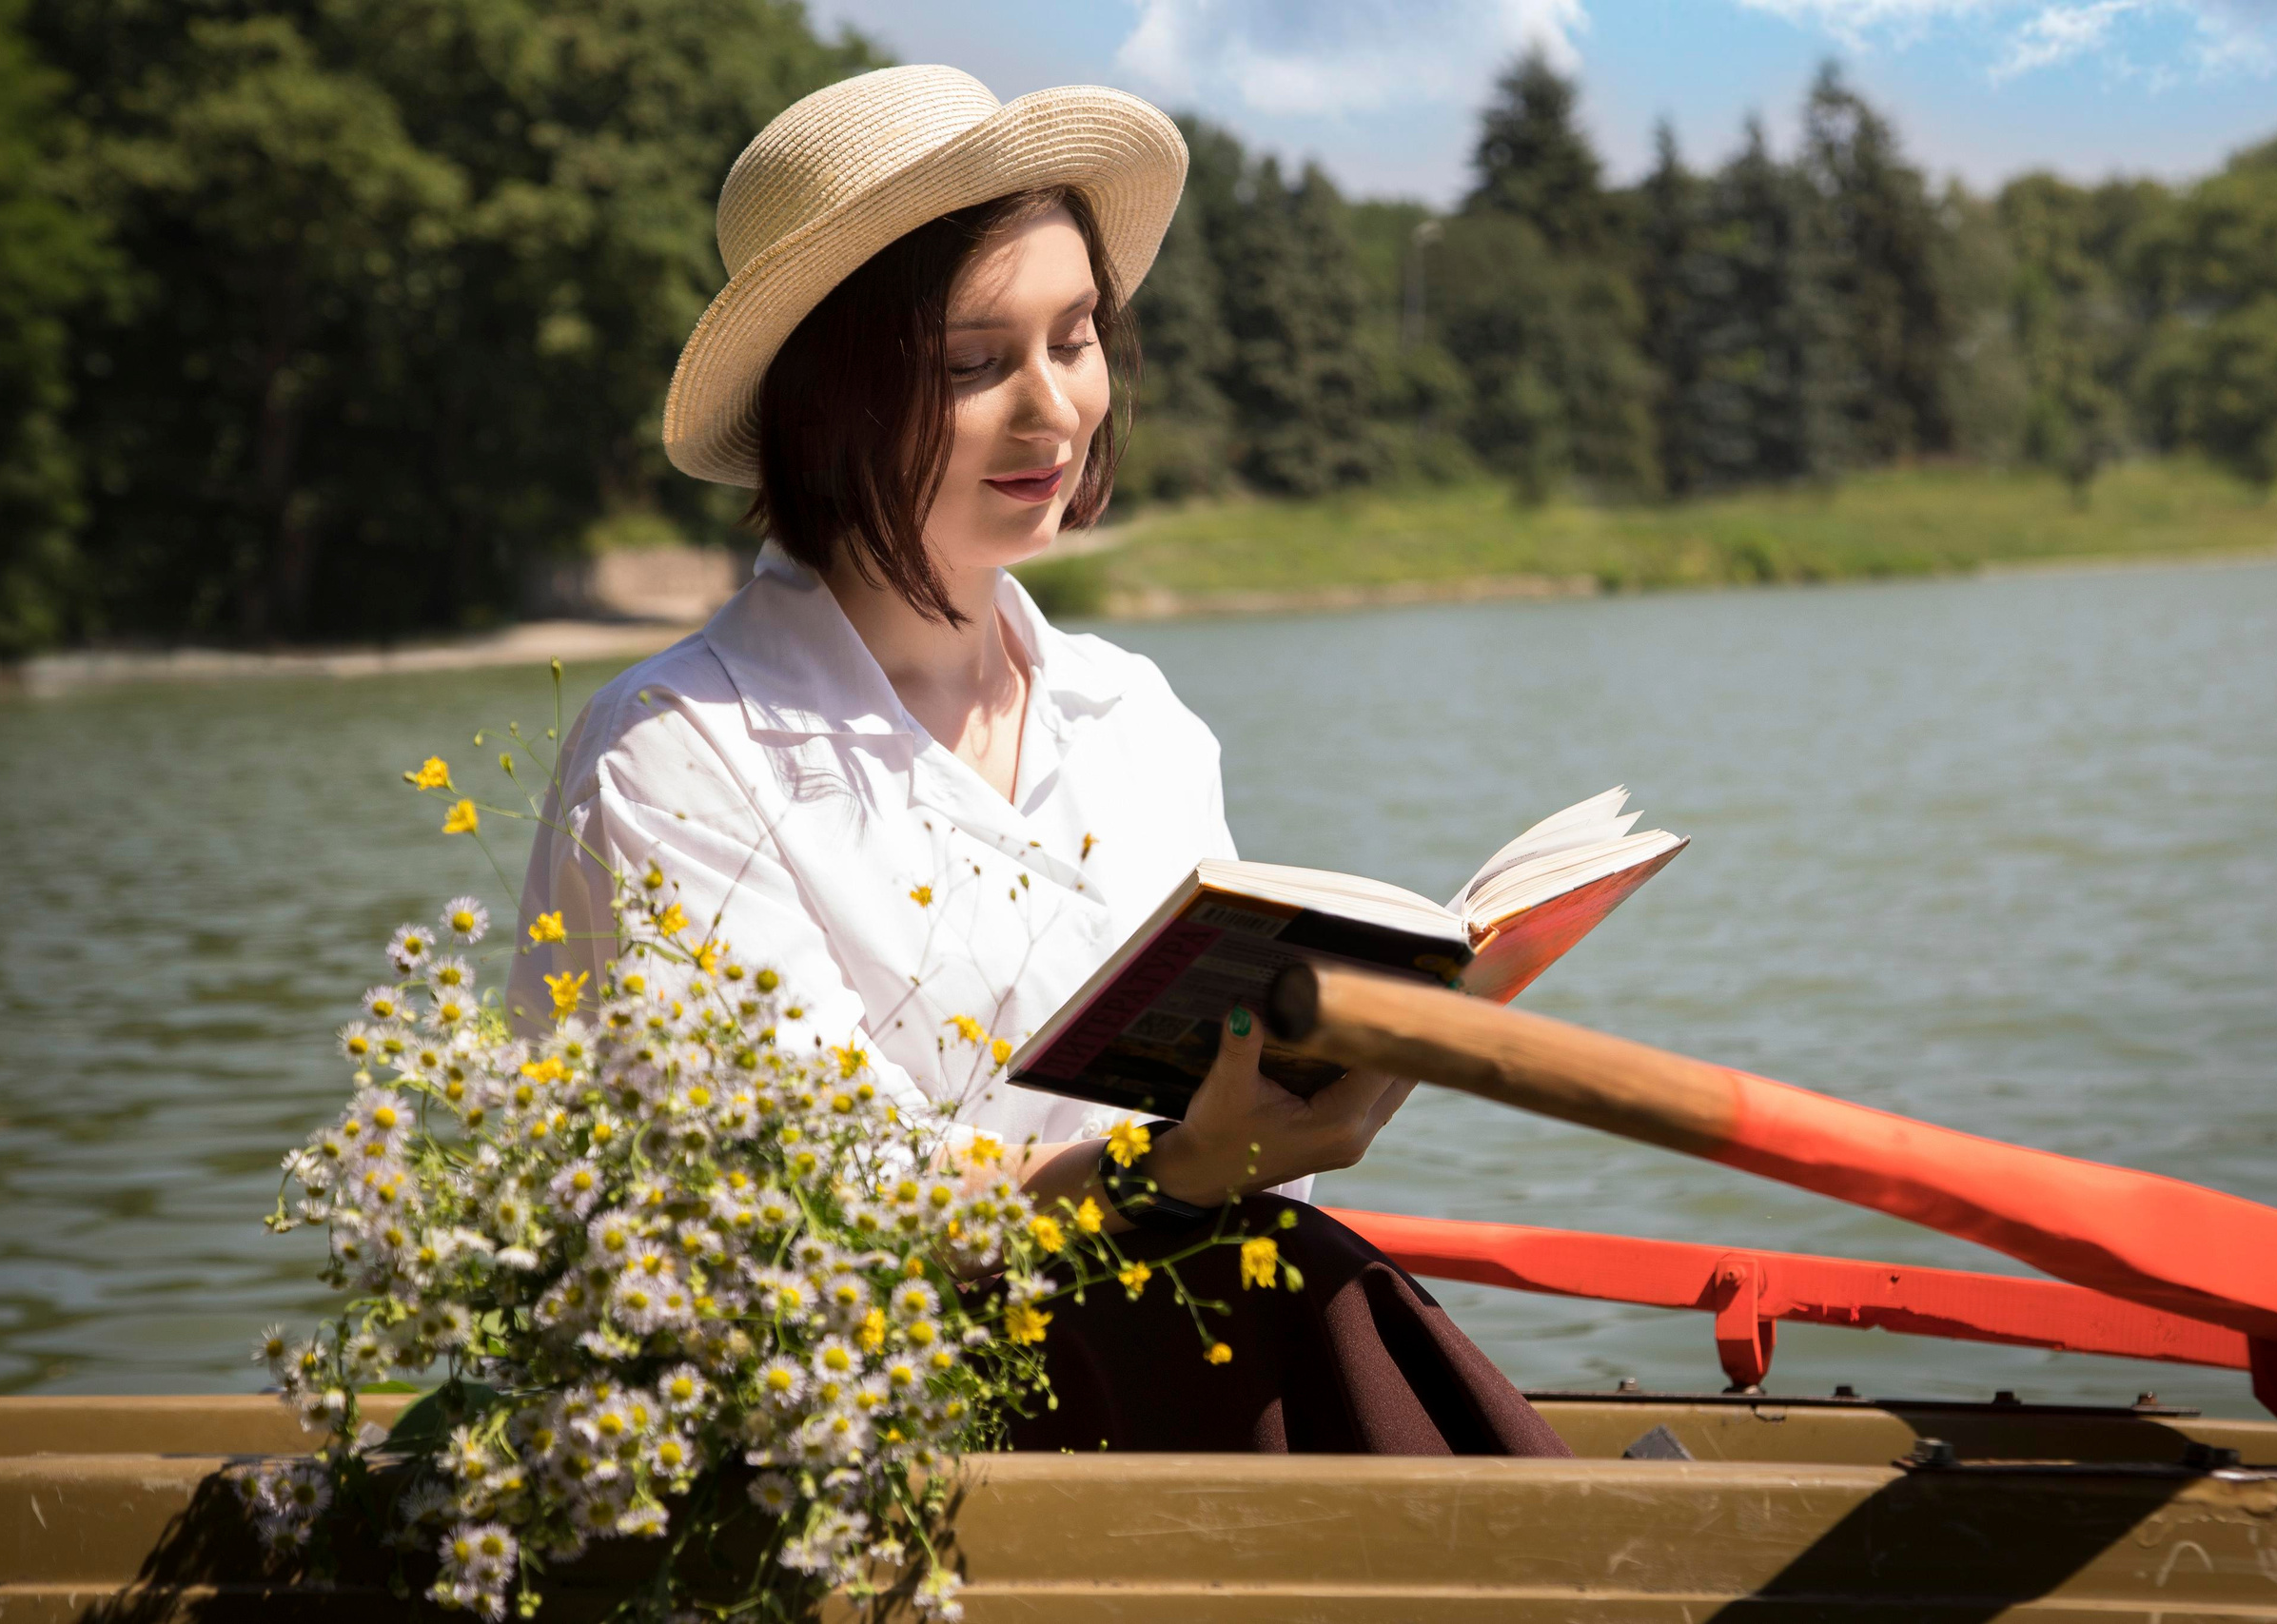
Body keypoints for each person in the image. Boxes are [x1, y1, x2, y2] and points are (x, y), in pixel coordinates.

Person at [510, 65, 1566, 1458]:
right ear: (827, 399)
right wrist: (1166, 1170)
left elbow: (1210, 1150)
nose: (1053, 410)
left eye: (1074, 339)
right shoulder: (677, 757)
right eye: (972, 362)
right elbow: (826, 1221)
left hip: (1167, 1367)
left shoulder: (1139, 722)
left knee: (1306, 1291)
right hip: (857, 1442)